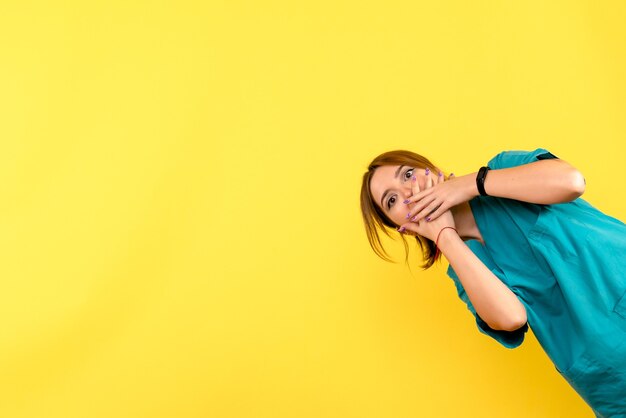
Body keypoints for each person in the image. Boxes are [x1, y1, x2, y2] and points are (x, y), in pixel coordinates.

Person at [360, 148, 626, 418]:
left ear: (430, 168)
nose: (407, 192)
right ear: (400, 227)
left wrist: (470, 184)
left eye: (408, 174)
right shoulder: (463, 270)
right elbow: (512, 318)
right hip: (609, 380)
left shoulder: (501, 170)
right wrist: (445, 236)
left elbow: (571, 182)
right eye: (392, 200)